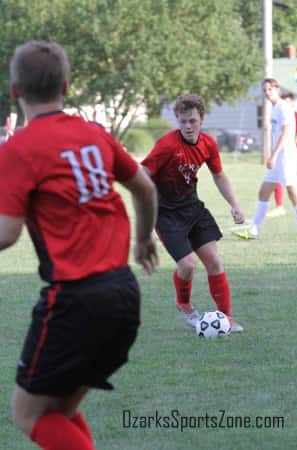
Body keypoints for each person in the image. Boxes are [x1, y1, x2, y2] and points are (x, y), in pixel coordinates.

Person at [0, 41, 158, 450]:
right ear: (67, 86)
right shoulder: (94, 135)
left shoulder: (20, 148)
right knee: (58, 412)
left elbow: (6, 233)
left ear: (15, 89)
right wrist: (143, 238)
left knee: (27, 413)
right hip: (123, 293)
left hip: (76, 300)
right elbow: (144, 186)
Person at [142, 93, 244, 332]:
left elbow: (219, 175)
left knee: (215, 262)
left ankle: (226, 319)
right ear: (177, 120)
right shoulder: (167, 144)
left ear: (201, 120)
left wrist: (235, 205)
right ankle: (184, 305)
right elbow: (143, 173)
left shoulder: (208, 143)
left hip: (192, 207)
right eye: (183, 121)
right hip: (166, 213)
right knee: (188, 265)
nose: (188, 126)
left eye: (193, 121)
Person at [233, 78, 297, 240]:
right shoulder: (275, 108)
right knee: (263, 192)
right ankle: (253, 231)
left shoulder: (284, 107)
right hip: (277, 159)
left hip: (286, 157)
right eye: (265, 90)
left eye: (270, 89)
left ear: (277, 89)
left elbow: (285, 133)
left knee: (292, 193)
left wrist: (274, 155)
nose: (267, 92)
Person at [266, 91, 297, 218]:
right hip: (284, 153)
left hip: (293, 153)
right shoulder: (279, 113)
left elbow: (296, 135)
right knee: (276, 179)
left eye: (287, 100)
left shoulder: (296, 115)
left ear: (291, 101)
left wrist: (290, 146)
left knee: (292, 185)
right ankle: (279, 206)